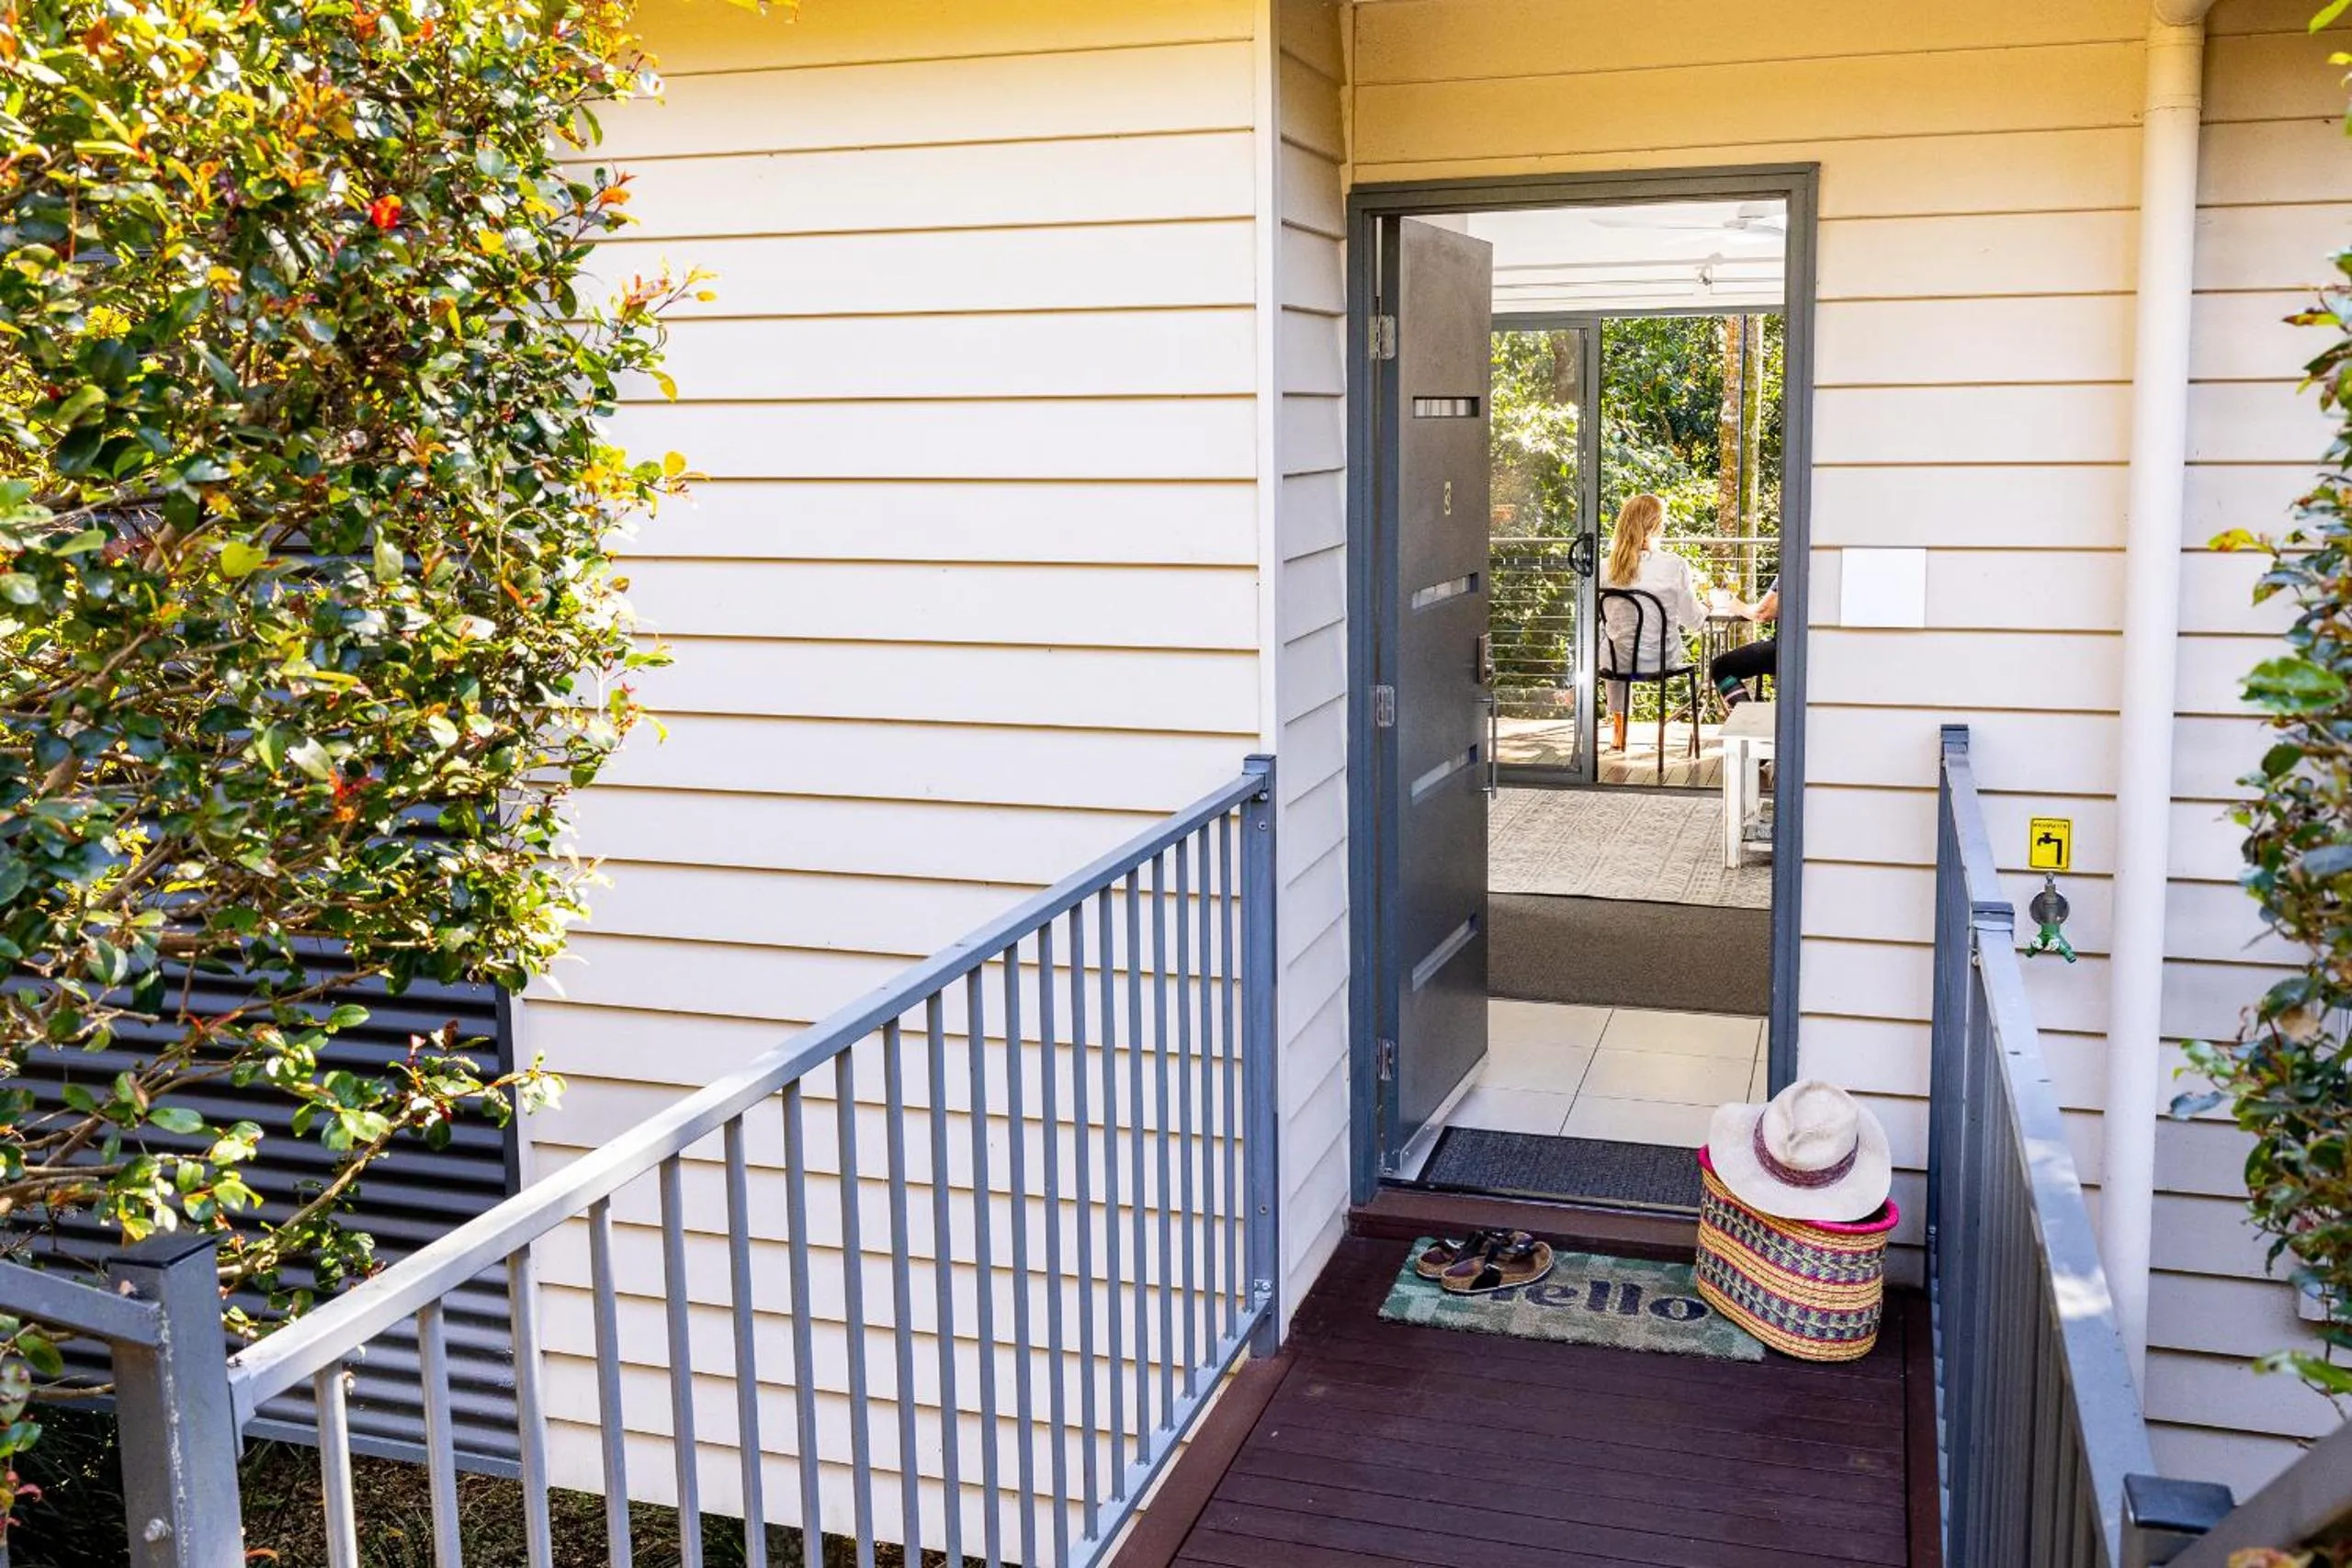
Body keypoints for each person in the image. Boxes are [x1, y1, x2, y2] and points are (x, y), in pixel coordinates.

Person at [1599, 492, 1703, 753]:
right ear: (1657, 526)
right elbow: (1693, 621)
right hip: (1659, 661)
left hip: (1616, 661)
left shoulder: (1603, 567)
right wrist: (1706, 608)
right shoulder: (1674, 565)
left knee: (1613, 642)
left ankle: (1619, 730)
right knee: (1619, 642)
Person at [1710, 575, 1778, 707]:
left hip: (1788, 650)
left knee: (1721, 667)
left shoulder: (1789, 570)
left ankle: (1747, 719)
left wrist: (1734, 604)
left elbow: (1762, 613)